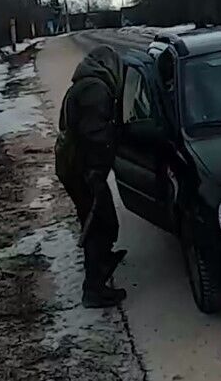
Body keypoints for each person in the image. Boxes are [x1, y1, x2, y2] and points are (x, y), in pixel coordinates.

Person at [55, 45, 128, 307]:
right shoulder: (95, 90)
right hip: (84, 169)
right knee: (99, 222)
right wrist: (96, 172)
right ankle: (94, 289)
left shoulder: (84, 85)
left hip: (75, 165)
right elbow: (95, 134)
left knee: (96, 218)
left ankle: (102, 261)